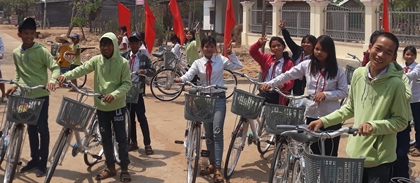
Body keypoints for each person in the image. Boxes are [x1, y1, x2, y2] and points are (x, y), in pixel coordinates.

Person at [308, 32, 410, 183]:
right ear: (370, 48)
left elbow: (401, 121)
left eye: (388, 53)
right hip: (355, 153)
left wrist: (373, 126)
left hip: (379, 159)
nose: (380, 55)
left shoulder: (397, 84)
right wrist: (323, 121)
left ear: (394, 57)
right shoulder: (358, 74)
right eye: (378, 48)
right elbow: (350, 108)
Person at [59, 32, 132, 182]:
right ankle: (110, 167)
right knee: (105, 138)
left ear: (114, 45)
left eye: (108, 44)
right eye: (103, 44)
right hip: (101, 107)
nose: (105, 47)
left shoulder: (123, 63)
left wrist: (115, 94)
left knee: (121, 138)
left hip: (117, 106)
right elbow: (81, 69)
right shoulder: (96, 60)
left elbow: (127, 84)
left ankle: (124, 168)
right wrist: (65, 75)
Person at [261, 35, 348, 156]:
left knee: (330, 154)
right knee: (313, 153)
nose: (319, 52)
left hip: (331, 117)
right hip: (312, 115)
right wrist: (270, 83)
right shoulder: (307, 65)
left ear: (330, 51)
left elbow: (344, 91)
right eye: (317, 49)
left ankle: (327, 175)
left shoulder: (337, 70)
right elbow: (287, 75)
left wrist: (326, 95)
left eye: (323, 50)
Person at [173, 35, 242, 183]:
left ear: (215, 48)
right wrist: (180, 79)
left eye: (211, 46)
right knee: (209, 133)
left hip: (218, 99)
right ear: (202, 48)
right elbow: (189, 75)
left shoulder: (221, 60)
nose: (208, 49)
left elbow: (238, 66)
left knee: (217, 132)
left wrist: (230, 54)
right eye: (206, 46)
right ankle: (211, 163)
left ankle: (218, 168)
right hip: (204, 100)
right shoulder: (198, 62)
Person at [6, 17, 59, 177]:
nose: (29, 36)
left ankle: (43, 163)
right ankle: (34, 159)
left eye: (32, 33)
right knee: (31, 128)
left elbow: (55, 68)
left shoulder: (41, 51)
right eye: (26, 33)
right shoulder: (16, 53)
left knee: (43, 128)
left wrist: (52, 81)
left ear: (35, 34)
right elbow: (18, 71)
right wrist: (15, 84)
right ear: (19, 34)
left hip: (41, 96)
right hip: (25, 97)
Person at [126, 31, 156, 155]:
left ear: (140, 44)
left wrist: (145, 71)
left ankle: (147, 144)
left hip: (137, 91)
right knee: (129, 118)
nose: (133, 45)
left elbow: (152, 70)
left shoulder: (143, 58)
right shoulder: (123, 57)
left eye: (136, 42)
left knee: (141, 118)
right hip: (126, 90)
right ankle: (133, 142)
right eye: (131, 42)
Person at [249, 35, 294, 105]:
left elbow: (291, 80)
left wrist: (283, 85)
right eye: (273, 46)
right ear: (270, 49)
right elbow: (252, 52)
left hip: (279, 94)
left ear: (283, 47)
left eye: (279, 45)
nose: (276, 48)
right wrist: (258, 43)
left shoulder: (289, 63)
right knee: (252, 104)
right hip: (265, 91)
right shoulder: (266, 58)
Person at [279, 20, 316, 96]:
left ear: (314, 44)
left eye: (308, 43)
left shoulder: (315, 57)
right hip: (290, 77)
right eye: (303, 42)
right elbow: (289, 40)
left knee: (297, 98)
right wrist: (283, 29)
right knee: (285, 95)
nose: (305, 44)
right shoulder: (298, 50)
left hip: (301, 80)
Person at [400, 46, 420, 157]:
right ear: (403, 55)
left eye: (412, 55)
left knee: (418, 124)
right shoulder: (400, 67)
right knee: (405, 124)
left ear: (415, 56)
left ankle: (418, 146)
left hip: (415, 99)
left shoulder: (418, 66)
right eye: (407, 54)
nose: (409, 57)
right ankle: (406, 144)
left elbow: (413, 75)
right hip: (404, 100)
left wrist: (400, 75)